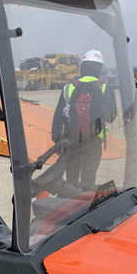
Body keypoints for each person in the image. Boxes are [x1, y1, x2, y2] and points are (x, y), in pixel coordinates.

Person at [50, 49, 116, 192]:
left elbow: (58, 116)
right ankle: (86, 203)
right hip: (94, 140)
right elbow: (111, 117)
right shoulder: (105, 88)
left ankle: (71, 205)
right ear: (99, 69)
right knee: (88, 182)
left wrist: (57, 139)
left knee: (72, 181)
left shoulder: (69, 87)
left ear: (82, 68)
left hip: (70, 141)